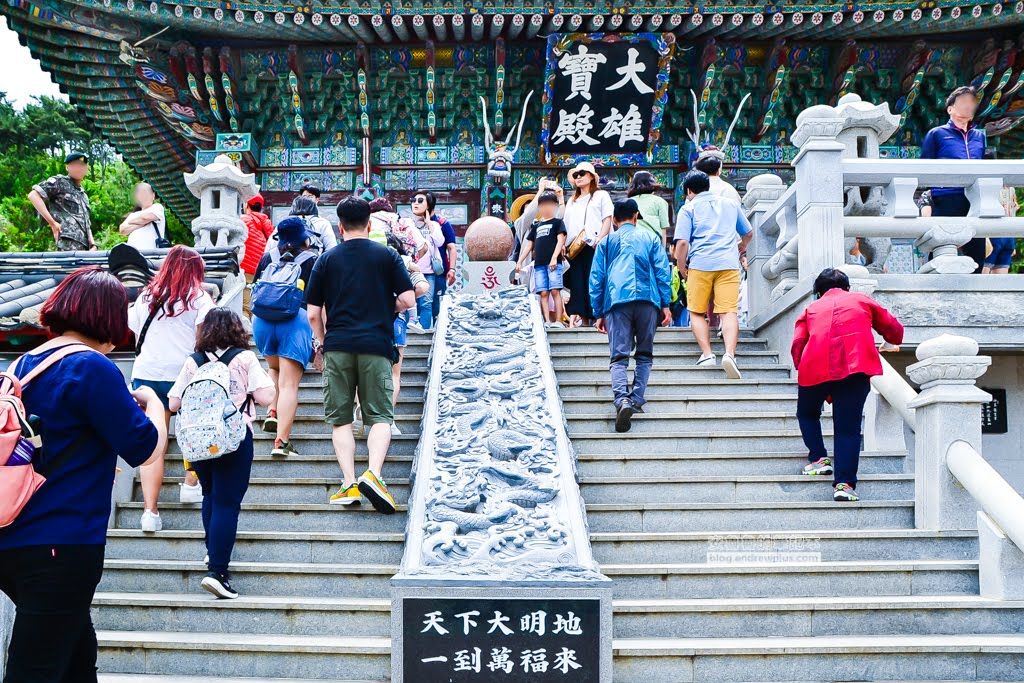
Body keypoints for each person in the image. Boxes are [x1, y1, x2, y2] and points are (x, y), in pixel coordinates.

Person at [0, 267, 165, 682]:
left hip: (11, 537)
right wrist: (155, 405)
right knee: (34, 670)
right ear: (108, 320)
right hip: (60, 545)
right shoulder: (91, 366)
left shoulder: (21, 367)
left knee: (75, 655)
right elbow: (144, 448)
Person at [306, 197, 415, 512]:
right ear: (369, 225)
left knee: (340, 420)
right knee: (380, 416)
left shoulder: (325, 260)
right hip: (377, 346)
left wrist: (324, 341)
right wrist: (385, 307)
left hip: (338, 346)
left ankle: (349, 482)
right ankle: (375, 476)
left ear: (340, 227)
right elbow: (408, 299)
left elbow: (313, 313)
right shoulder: (388, 256)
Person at [168, 308, 275, 599]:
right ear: (236, 330)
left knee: (211, 496)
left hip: (199, 443)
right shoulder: (244, 358)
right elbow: (266, 397)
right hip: (234, 439)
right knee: (228, 504)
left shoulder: (194, 361)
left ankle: (212, 551)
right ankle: (217, 571)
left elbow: (174, 402)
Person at [792, 268, 904, 502]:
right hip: (855, 367)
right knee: (848, 429)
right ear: (847, 287)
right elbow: (894, 331)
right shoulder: (862, 300)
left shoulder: (811, 308)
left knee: (807, 413)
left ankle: (819, 460)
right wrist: (889, 341)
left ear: (818, 292)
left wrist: (800, 367)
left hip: (815, 367)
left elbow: (798, 343)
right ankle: (844, 485)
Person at [128, 246, 215, 530]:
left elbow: (132, 329)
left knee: (155, 443)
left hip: (147, 374)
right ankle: (191, 484)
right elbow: (206, 341)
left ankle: (150, 513)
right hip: (184, 375)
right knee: (192, 432)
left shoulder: (145, 297)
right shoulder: (200, 298)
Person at [590, 199, 673, 433]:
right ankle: (636, 398)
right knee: (645, 354)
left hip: (617, 302)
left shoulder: (606, 243)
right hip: (648, 300)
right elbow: (662, 271)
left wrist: (598, 311)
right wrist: (666, 304)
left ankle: (621, 400)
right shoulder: (651, 239)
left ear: (614, 220)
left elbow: (596, 279)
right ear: (636, 216)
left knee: (619, 356)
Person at [673, 170, 752, 379]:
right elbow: (748, 232)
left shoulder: (688, 208)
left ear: (689, 191)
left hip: (700, 264)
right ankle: (730, 354)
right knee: (728, 311)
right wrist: (740, 247)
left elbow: (682, 243)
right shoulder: (730, 204)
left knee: (697, 312)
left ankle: (708, 354)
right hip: (728, 264)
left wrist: (682, 268)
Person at [251, 217, 317, 457]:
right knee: (289, 384)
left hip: (263, 322)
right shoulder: (312, 260)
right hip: (295, 320)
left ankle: (271, 410)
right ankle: (282, 442)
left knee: (275, 369)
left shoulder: (268, 257)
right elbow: (319, 303)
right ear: (303, 238)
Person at [921, 85, 987, 272]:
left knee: (976, 246)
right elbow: (925, 165)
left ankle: (975, 286)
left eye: (971, 103)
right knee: (944, 243)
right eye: (963, 102)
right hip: (947, 195)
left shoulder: (979, 137)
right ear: (950, 109)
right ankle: (936, 283)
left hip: (974, 198)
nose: (968, 106)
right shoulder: (937, 134)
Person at [563, 161, 613, 327]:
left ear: (591, 176)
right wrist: (563, 243)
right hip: (575, 247)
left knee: (596, 280)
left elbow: (607, 218)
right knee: (578, 283)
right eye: (576, 175)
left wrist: (601, 237)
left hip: (594, 245)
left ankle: (598, 317)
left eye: (582, 174)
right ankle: (583, 319)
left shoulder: (601, 195)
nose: (578, 177)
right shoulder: (572, 200)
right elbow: (566, 223)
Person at [515, 191, 567, 325]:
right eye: (543, 205)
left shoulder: (558, 223)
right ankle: (547, 321)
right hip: (539, 264)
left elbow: (561, 240)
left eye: (549, 204)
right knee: (543, 293)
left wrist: (555, 257)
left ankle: (558, 321)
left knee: (555, 290)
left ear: (555, 206)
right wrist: (520, 261)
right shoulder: (536, 226)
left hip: (553, 263)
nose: (546, 208)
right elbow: (528, 246)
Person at [27, 152, 96, 252]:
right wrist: (53, 223)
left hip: (85, 249)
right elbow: (33, 195)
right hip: (67, 243)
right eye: (75, 165)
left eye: (82, 165)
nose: (79, 168)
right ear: (68, 168)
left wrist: (93, 244)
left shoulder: (83, 194)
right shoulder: (60, 182)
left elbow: (86, 223)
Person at [409, 191, 446, 330]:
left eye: (420, 200)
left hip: (429, 272)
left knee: (426, 302)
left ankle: (422, 331)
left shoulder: (434, 225)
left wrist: (429, 223)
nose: (415, 203)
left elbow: (440, 241)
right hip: (410, 270)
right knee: (409, 301)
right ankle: (407, 333)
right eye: (413, 200)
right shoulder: (407, 223)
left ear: (428, 205)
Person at [266, 195, 338, 255]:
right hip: (312, 266)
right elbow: (332, 250)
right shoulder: (323, 223)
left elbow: (269, 249)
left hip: (284, 268)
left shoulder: (285, 223)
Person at [240, 193, 274, 318]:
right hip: (262, 270)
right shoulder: (267, 223)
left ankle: (244, 334)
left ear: (246, 205)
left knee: (245, 305)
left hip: (245, 268)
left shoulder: (243, 220)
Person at [118, 182, 168, 250]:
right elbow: (122, 229)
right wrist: (142, 224)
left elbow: (145, 218)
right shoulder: (133, 215)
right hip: (133, 254)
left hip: (151, 254)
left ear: (153, 196)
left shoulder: (157, 207)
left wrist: (131, 223)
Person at [627, 171, 672, 246]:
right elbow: (663, 230)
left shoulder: (629, 202)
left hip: (633, 242)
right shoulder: (660, 201)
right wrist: (662, 252)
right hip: (653, 242)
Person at [985, 184, 1018, 274]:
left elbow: (1012, 212)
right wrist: (985, 237)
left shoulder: (1011, 187)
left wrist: (1013, 242)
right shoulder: (988, 185)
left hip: (1008, 236)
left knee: (1001, 282)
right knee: (982, 278)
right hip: (991, 234)